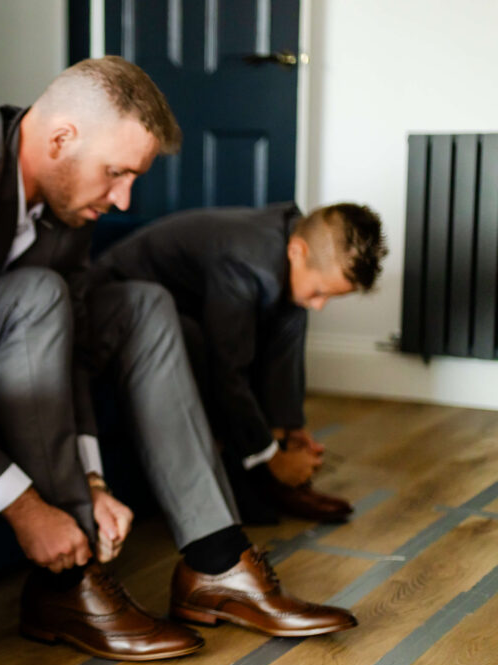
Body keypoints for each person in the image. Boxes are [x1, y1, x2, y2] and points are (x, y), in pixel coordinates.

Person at [0, 56, 357, 662]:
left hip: (11, 351)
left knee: (143, 303)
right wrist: (27, 506)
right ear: (61, 139)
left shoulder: (69, 200)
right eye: (116, 173)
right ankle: (68, 583)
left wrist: (91, 478)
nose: (123, 200)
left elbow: (75, 338)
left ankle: (215, 562)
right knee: (40, 293)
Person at [93, 202, 387, 524]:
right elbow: (228, 371)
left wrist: (289, 427)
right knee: (201, 343)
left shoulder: (292, 241)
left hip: (184, 307)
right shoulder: (246, 261)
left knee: (291, 312)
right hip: (111, 305)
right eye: (320, 292)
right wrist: (271, 458)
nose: (320, 306)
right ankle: (247, 476)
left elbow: (284, 340)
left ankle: (270, 470)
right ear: (297, 251)